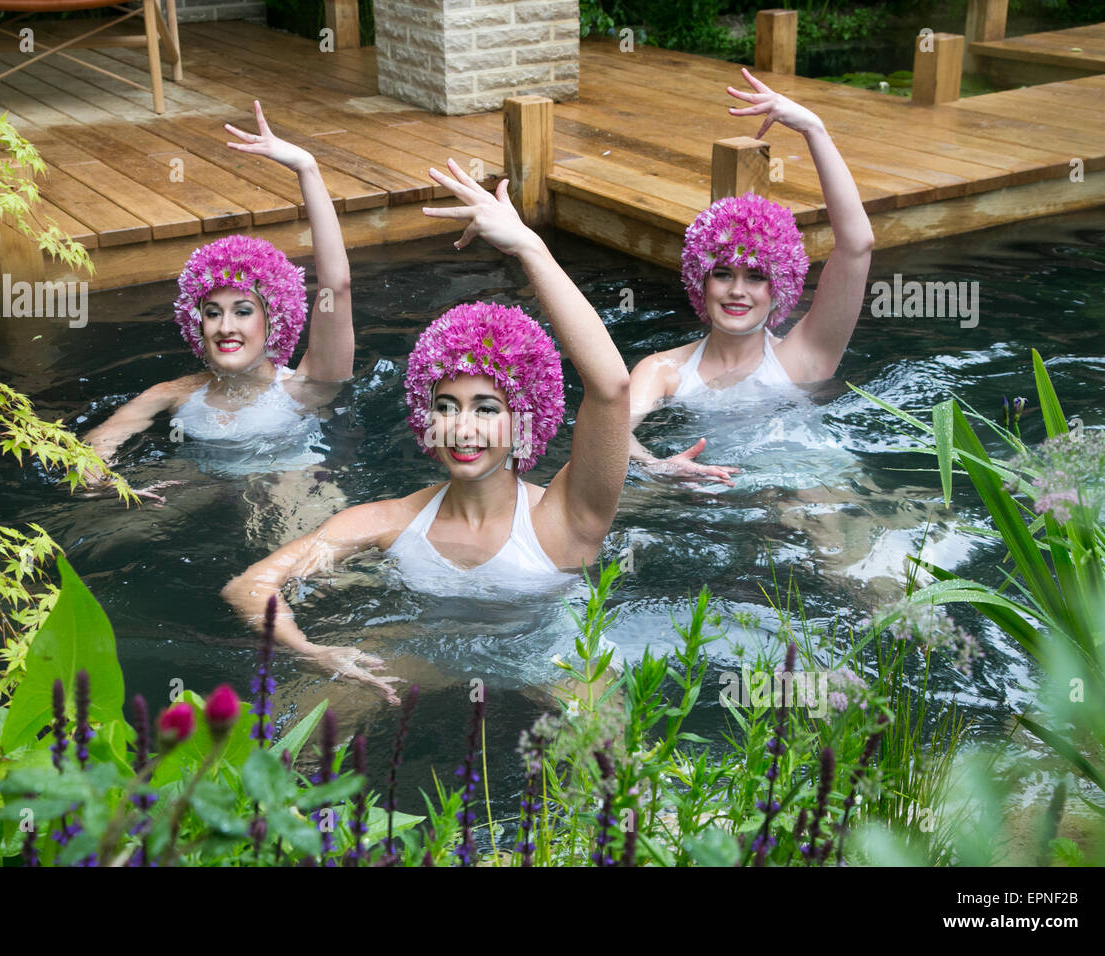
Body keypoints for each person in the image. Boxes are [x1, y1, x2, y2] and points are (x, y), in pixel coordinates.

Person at [222, 158, 631, 704]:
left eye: (486, 408)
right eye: (447, 407)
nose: (463, 428)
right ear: (425, 418)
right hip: (427, 649)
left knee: (609, 782)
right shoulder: (388, 521)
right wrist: (316, 654)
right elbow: (250, 586)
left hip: (554, 656)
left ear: (523, 418)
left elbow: (611, 388)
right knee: (293, 722)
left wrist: (530, 248)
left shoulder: (565, 520)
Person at [78, 100, 354, 499]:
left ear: (274, 320)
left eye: (243, 311)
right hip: (200, 490)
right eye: (212, 313)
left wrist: (307, 169)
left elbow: (337, 287)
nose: (225, 327)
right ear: (197, 324)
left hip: (292, 494)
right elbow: (95, 446)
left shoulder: (306, 388)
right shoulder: (173, 393)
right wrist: (105, 487)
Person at [628, 68, 874, 488]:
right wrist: (657, 465)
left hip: (819, 491)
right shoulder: (662, 371)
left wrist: (815, 130)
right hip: (721, 506)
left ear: (778, 287)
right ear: (699, 281)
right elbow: (608, 433)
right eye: (722, 273)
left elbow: (857, 245)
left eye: (756, 276)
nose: (737, 291)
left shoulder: (804, 358)